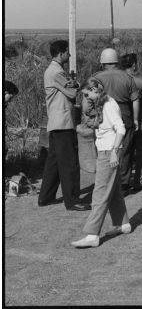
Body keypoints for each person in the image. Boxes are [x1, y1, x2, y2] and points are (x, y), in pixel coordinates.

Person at [71, 77, 130, 248]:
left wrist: (113, 153)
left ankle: (92, 235)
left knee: (100, 193)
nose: (86, 98)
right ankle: (123, 224)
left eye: (87, 94)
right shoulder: (103, 103)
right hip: (107, 150)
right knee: (114, 190)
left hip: (109, 151)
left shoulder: (109, 105)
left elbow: (121, 128)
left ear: (95, 91)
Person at [38, 40, 89, 211]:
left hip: (57, 122)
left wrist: (73, 83)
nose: (69, 55)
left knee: (54, 163)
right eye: (67, 52)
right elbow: (73, 92)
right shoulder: (56, 72)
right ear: (60, 53)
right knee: (69, 163)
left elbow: (71, 87)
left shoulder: (54, 71)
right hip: (63, 123)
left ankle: (45, 197)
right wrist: (77, 84)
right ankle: (73, 200)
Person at [94, 48, 140, 194]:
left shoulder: (96, 78)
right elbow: (135, 100)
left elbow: (89, 99)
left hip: (102, 116)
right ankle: (123, 183)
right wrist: (136, 119)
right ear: (117, 61)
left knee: (104, 149)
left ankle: (107, 181)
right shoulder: (127, 77)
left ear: (102, 63)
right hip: (124, 114)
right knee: (124, 150)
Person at [120, 53, 142, 191]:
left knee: (126, 151)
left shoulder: (119, 80)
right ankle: (139, 180)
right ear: (134, 64)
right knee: (141, 151)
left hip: (124, 120)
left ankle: (124, 181)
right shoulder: (141, 82)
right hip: (141, 120)